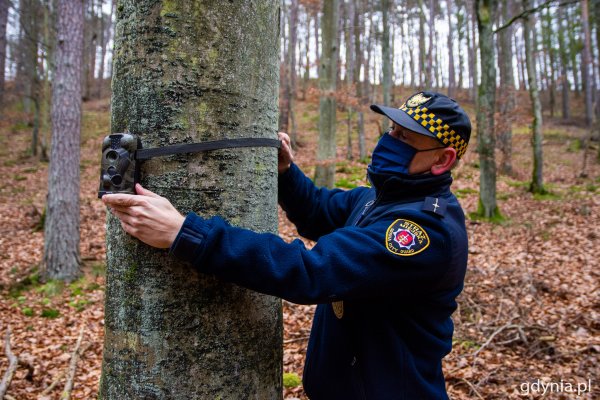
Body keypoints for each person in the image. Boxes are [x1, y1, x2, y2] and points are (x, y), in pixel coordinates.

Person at [103, 91, 471, 399]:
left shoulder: (423, 232)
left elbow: (312, 271)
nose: (389, 142)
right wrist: (286, 172)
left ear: (442, 159)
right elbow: (318, 211)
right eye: (391, 129)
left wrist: (188, 234)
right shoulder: (382, 199)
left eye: (405, 139)